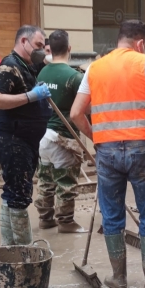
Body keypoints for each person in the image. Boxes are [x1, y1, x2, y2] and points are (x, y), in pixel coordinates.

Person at [70, 20, 145, 288]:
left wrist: (97, 137)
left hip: (107, 152)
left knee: (112, 215)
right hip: (141, 150)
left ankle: (119, 279)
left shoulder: (94, 68)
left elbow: (77, 113)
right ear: (140, 43)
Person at [0, 25, 52, 245]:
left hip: (23, 140)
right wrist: (31, 96)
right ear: (23, 41)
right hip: (13, 140)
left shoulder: (27, 66)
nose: (41, 51)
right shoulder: (9, 66)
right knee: (19, 195)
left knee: (12, 193)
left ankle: (11, 248)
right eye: (37, 45)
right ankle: (24, 252)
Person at [34, 29, 87, 234]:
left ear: (51, 49)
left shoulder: (42, 72)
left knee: (46, 179)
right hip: (63, 136)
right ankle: (65, 221)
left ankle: (45, 219)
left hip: (44, 137)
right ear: (69, 49)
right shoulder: (74, 77)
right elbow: (84, 110)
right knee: (66, 181)